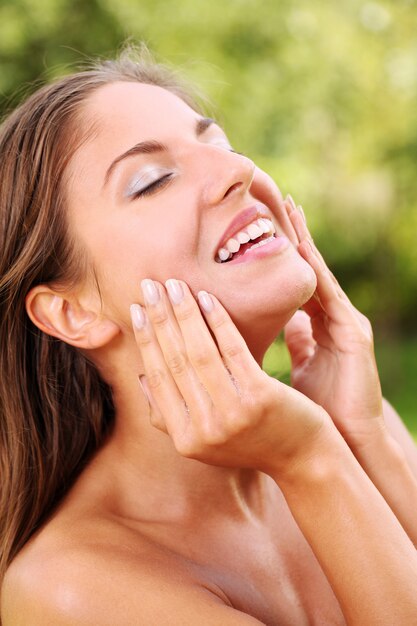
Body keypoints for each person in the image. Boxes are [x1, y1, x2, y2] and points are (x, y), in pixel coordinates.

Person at [0, 46, 417, 626]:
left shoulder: (344, 428)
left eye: (218, 144)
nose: (237, 170)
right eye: (152, 181)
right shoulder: (71, 591)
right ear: (72, 313)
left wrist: (367, 436)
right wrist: (309, 461)